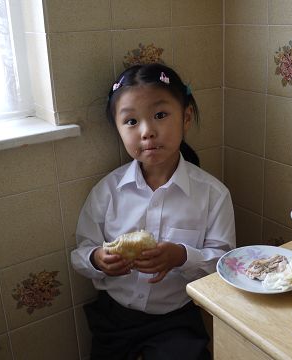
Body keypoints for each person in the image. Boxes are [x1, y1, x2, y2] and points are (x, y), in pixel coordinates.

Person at [71, 63, 236, 360]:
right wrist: (97, 259)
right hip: (115, 316)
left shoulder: (213, 195)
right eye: (131, 121)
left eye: (160, 115)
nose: (147, 132)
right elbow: (80, 252)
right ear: (118, 130)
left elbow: (225, 264)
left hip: (176, 318)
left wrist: (182, 256)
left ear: (185, 118)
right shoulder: (107, 191)